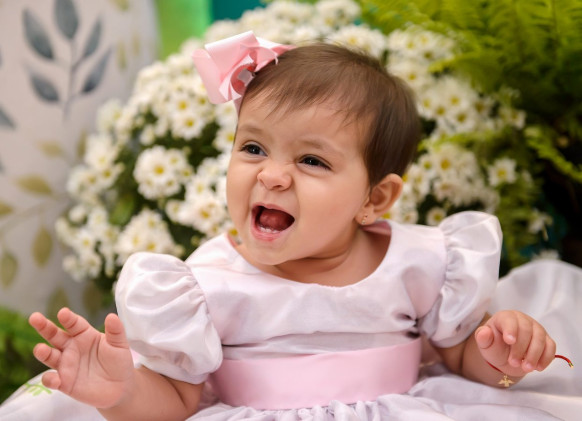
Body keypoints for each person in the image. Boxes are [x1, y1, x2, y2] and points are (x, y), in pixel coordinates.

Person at [19, 32, 562, 420]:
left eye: (311, 160)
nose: (273, 175)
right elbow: (177, 402)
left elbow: (461, 357)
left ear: (374, 198)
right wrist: (120, 392)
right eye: (254, 148)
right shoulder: (203, 285)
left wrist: (500, 358)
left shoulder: (418, 261)